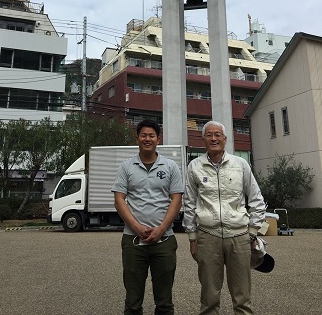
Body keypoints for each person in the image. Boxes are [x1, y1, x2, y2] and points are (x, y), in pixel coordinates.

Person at [183, 120, 266, 315]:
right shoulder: (195, 166)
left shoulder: (240, 164)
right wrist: (192, 238)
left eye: (217, 134)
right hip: (207, 236)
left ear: (225, 139)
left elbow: (256, 199)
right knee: (209, 298)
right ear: (203, 139)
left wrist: (252, 233)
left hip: (239, 236)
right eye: (209, 135)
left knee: (242, 297)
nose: (213, 138)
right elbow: (189, 203)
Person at [112, 119, 183, 315]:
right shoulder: (126, 167)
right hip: (133, 240)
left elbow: (176, 200)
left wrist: (161, 229)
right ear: (137, 139)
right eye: (143, 135)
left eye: (152, 135)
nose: (147, 139)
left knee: (165, 302)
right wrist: (136, 227)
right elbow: (119, 200)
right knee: (133, 301)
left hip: (165, 240)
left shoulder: (170, 166)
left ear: (158, 139)